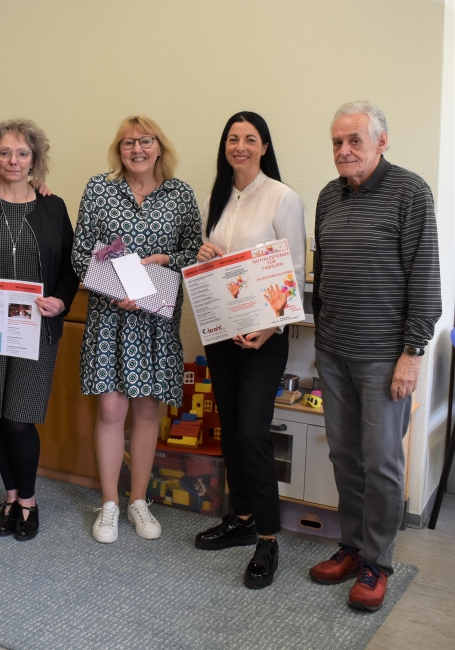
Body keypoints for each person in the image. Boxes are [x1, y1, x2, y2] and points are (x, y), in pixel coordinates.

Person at [309, 101, 441, 611]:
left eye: (354, 141)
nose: (343, 151)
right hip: (335, 351)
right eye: (337, 142)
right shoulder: (328, 196)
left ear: (381, 141)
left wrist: (412, 353)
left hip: (385, 358)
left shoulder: (410, 192)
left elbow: (425, 279)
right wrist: (322, 340)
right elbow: (323, 276)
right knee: (344, 455)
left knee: (382, 461)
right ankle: (352, 544)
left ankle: (376, 562)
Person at [72, 115, 202, 544]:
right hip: (110, 316)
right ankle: (109, 502)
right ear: (119, 150)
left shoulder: (180, 195)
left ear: (159, 147)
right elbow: (80, 252)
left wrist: (165, 260)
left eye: (145, 141)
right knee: (111, 410)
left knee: (148, 411)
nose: (137, 149)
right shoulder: (99, 189)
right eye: (128, 143)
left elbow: (193, 251)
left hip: (155, 319)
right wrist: (114, 290)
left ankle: (138, 501)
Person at [192, 112, 306, 589]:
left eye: (250, 139)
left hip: (263, 337)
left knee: (254, 432)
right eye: (233, 139)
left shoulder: (283, 197)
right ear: (225, 146)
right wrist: (204, 255)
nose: (240, 146)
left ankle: (268, 537)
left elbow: (293, 273)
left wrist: (268, 328)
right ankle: (241, 518)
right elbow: (219, 265)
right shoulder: (219, 196)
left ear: (264, 146)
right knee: (233, 431)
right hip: (221, 333)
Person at [0, 119, 78, 541]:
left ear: (35, 159)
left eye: (22, 153)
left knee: (19, 419)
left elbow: (69, 267)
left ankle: (28, 501)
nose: (13, 160)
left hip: (35, 331)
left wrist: (62, 301)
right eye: (5, 152)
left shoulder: (53, 206)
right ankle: (9, 497)